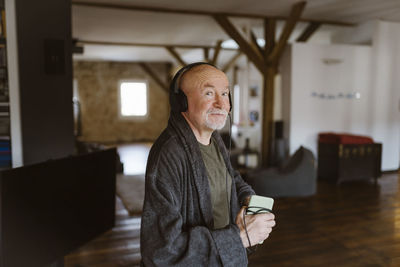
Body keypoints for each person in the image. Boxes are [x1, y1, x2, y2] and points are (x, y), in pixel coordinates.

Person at [140, 62, 275, 266]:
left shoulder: (214, 139)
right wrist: (238, 237)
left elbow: (230, 177)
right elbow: (161, 250)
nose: (222, 104)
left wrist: (248, 198)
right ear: (181, 103)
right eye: (209, 94)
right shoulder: (168, 155)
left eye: (225, 93)